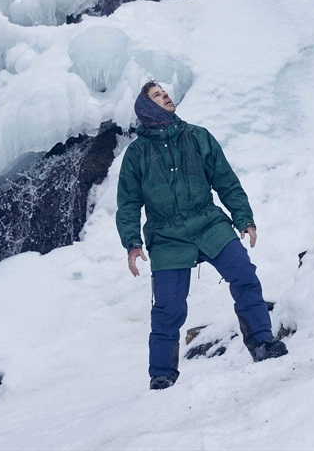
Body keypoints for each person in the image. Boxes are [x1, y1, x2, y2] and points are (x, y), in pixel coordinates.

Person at [116, 80, 288, 390]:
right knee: (168, 307)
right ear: (147, 108)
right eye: (157, 96)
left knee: (244, 274)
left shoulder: (198, 137)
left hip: (208, 223)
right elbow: (128, 204)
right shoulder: (136, 154)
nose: (166, 97)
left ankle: (262, 342)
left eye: (165, 93)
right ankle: (162, 375)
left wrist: (244, 218)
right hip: (166, 236)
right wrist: (132, 243)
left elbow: (226, 181)